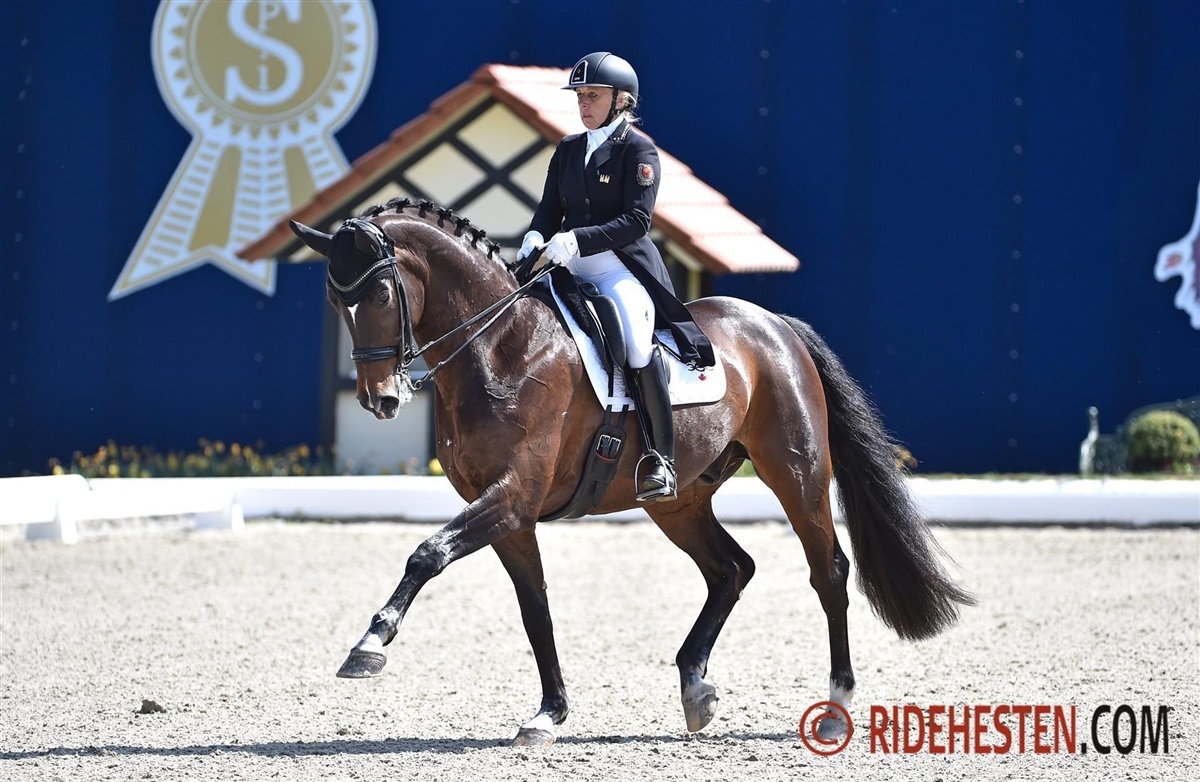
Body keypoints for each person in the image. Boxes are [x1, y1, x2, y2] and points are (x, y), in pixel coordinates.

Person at [516, 52, 714, 502]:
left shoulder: (637, 150)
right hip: (566, 263)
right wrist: (535, 235)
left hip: (618, 267)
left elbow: (637, 220)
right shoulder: (568, 149)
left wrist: (577, 239)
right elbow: (549, 208)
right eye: (580, 96)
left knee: (638, 346)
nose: (584, 104)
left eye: (593, 95)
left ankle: (660, 460)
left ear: (621, 100)